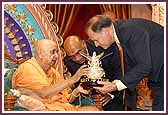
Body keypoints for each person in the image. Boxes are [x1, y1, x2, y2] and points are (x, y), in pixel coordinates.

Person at [85, 15, 164, 111]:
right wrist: (113, 85)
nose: (96, 45)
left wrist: (115, 86)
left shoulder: (132, 30)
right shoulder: (119, 36)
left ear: (105, 31)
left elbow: (144, 66)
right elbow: (127, 69)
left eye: (96, 40)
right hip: (158, 80)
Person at [12, 39, 99, 111]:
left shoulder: (52, 71)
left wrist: (77, 90)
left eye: (57, 52)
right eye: (53, 52)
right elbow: (42, 93)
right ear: (40, 54)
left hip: (63, 108)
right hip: (48, 109)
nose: (57, 56)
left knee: (94, 110)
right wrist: (73, 79)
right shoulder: (27, 68)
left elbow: (66, 98)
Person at [63, 35, 124, 111]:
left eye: (78, 52)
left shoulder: (103, 48)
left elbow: (120, 74)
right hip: (91, 96)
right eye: (72, 56)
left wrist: (110, 94)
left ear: (83, 44)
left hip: (115, 92)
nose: (77, 58)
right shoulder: (68, 61)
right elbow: (79, 84)